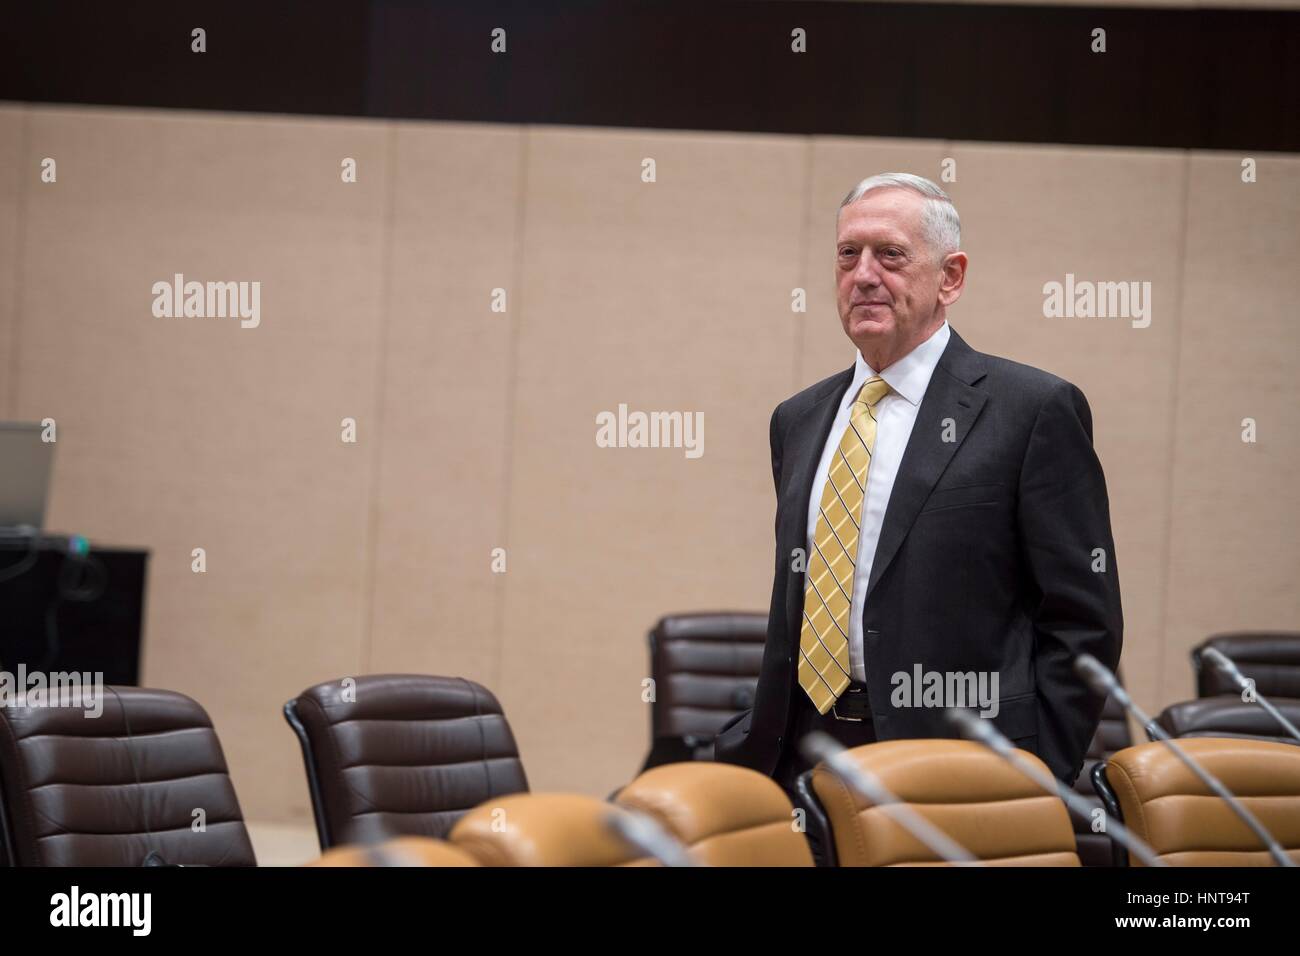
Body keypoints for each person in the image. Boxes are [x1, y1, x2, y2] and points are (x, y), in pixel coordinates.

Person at [714, 173, 1123, 814]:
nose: (864, 275)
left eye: (891, 255)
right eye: (848, 254)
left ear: (950, 277)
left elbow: (1082, 619)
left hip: (958, 770)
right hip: (799, 755)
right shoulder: (798, 419)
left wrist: (1036, 767)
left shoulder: (1031, 410)